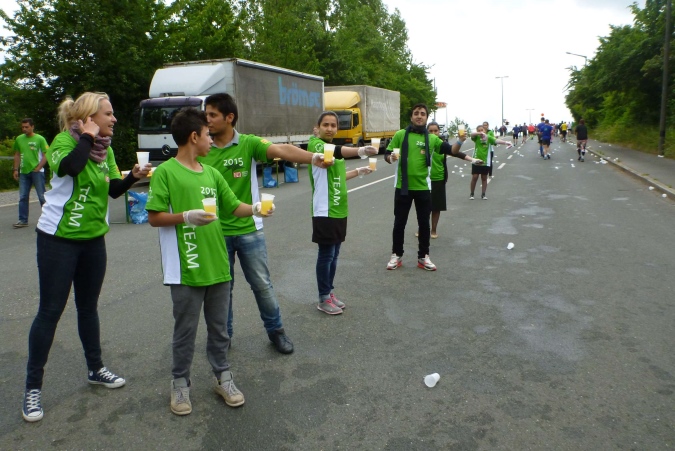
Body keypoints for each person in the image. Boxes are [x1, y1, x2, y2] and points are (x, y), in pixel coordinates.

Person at [22, 92, 151, 423]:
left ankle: (96, 369)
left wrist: (133, 176)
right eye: (108, 114)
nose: (114, 119)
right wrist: (87, 137)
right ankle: (32, 387)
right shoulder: (64, 142)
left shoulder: (105, 149)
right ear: (90, 118)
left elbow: (112, 190)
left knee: (88, 308)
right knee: (50, 312)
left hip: (93, 240)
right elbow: (71, 167)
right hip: (58, 240)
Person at [146, 108, 270, 415]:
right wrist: (186, 217)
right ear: (193, 137)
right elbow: (154, 217)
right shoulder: (165, 173)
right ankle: (180, 384)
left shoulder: (212, 173)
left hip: (218, 264)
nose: (211, 140)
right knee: (185, 331)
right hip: (186, 267)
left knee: (219, 329)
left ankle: (223, 377)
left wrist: (256, 208)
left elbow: (233, 206)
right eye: (207, 135)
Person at [199, 93, 332, 353]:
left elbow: (282, 150)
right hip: (215, 231)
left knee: (262, 285)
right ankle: (223, 337)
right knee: (222, 290)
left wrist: (313, 157)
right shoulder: (203, 147)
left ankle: (276, 331)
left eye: (213, 115)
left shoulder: (248, 143)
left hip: (250, 229)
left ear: (229, 117)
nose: (208, 120)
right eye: (206, 115)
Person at [384, 103, 481, 271]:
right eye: (416, 113)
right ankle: (396, 255)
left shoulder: (432, 138)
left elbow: (452, 150)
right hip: (403, 187)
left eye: (422, 114)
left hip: (423, 187)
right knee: (399, 223)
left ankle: (423, 257)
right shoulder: (401, 135)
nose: (419, 116)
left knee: (424, 225)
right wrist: (390, 158)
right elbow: (387, 154)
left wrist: (460, 140)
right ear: (411, 117)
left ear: (426, 118)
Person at [308, 111, 376, 314]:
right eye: (326, 125)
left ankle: (329, 292)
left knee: (334, 254)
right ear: (317, 128)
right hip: (324, 209)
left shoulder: (333, 151)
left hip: (339, 208)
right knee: (326, 254)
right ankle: (323, 298)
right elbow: (337, 151)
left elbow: (337, 177)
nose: (329, 128)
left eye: (333, 125)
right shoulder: (315, 145)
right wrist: (360, 150)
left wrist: (358, 171)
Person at [12, 118, 49, 228]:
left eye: (27, 127)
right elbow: (17, 154)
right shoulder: (19, 139)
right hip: (24, 171)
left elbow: (46, 154)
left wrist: (39, 167)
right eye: (23, 127)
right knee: (23, 196)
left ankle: (48, 219)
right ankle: (23, 220)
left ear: (32, 127)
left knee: (42, 196)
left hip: (37, 172)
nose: (24, 129)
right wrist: (15, 169)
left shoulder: (40, 139)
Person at [469, 124, 512, 200]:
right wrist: (479, 133)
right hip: (476, 160)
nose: (481, 131)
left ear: (485, 130)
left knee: (484, 177)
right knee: (475, 177)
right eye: (479, 130)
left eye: (482, 130)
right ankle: (472, 194)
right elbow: (471, 135)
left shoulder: (488, 137)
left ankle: (483, 194)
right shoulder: (476, 138)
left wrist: (506, 143)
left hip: (485, 161)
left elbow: (496, 141)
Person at [427, 122, 448, 239]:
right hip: (425, 179)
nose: (433, 133)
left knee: (436, 207)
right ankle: (422, 228)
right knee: (424, 207)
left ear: (439, 132)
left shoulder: (442, 145)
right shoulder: (423, 143)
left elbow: (454, 152)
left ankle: (433, 229)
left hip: (439, 178)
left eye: (436, 131)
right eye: (430, 131)